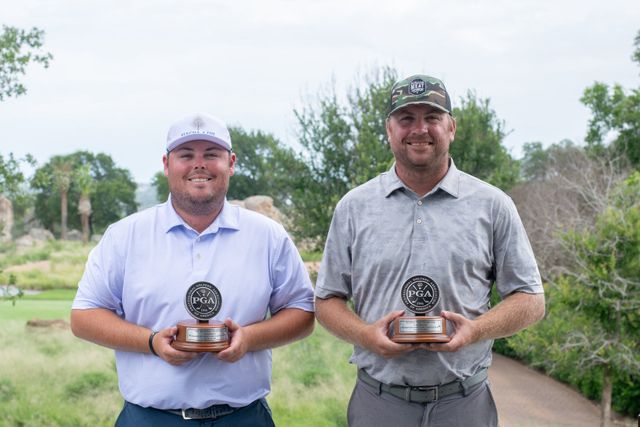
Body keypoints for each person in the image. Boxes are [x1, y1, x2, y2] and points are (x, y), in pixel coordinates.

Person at [314, 75, 545, 427]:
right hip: (378, 403)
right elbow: (326, 300)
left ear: (451, 127)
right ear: (389, 129)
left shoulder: (492, 205)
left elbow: (530, 299)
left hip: (464, 404)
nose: (419, 129)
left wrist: (476, 330)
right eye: (406, 118)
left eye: (432, 118)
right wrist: (364, 336)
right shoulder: (353, 207)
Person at [71, 112, 315, 427]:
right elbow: (83, 317)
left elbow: (303, 313)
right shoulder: (124, 235)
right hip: (149, 419)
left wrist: (249, 338)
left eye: (211, 154)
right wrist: (152, 342)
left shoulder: (267, 235)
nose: (199, 164)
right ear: (166, 164)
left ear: (231, 162)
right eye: (186, 155)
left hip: (243, 418)